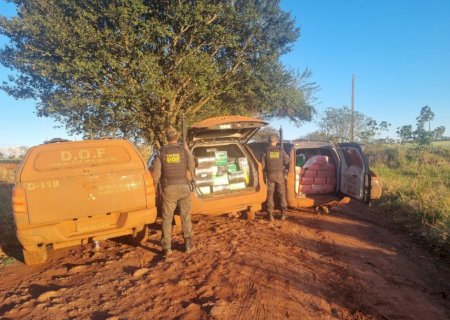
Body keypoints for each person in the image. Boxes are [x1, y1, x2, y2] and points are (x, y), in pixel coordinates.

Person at [152, 128, 195, 255]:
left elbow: (156, 176)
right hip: (183, 187)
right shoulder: (183, 151)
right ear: (177, 137)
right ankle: (188, 245)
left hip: (169, 189)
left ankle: (167, 248)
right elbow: (192, 167)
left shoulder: (162, 152)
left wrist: (155, 189)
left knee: (167, 218)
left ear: (167, 138)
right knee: (185, 216)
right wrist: (188, 150)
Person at [261, 134, 290, 221]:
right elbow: (287, 161)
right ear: (276, 141)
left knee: (270, 195)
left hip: (270, 175)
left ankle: (270, 215)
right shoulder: (281, 150)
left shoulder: (265, 151)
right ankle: (283, 215)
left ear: (268, 141)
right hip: (280, 175)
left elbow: (262, 166)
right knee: (282, 194)